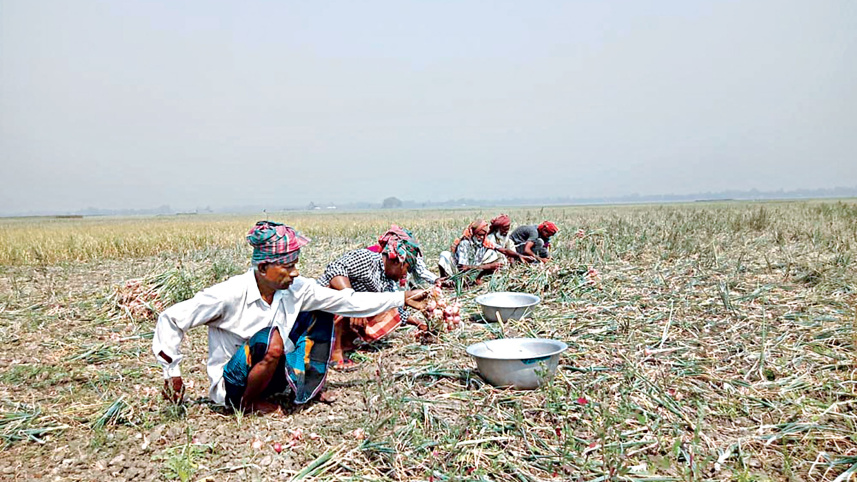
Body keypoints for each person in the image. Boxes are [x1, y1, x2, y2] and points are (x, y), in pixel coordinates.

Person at [152, 221, 426, 412]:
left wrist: (401, 298)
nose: (295, 273)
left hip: (274, 370)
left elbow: (347, 301)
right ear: (263, 267)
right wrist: (172, 373)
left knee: (323, 309)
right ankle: (246, 405)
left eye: (296, 265)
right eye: (288, 266)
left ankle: (306, 383)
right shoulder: (228, 294)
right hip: (234, 382)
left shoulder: (295, 289)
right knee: (270, 340)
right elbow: (172, 318)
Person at [318, 227, 425, 370]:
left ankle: (344, 343)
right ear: (396, 261)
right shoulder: (369, 259)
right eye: (406, 268)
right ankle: (334, 353)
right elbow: (335, 269)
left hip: (346, 309)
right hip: (319, 309)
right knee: (337, 295)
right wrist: (353, 302)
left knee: (383, 306)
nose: (404, 275)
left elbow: (395, 311)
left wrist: (419, 323)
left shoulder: (387, 282)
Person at [437, 219, 502, 282]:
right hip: (460, 274)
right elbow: (463, 268)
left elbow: (501, 249)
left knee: (492, 253)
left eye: (483, 235)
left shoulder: (483, 243)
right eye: (479, 235)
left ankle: (478, 278)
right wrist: (489, 266)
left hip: (474, 269)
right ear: (474, 233)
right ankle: (445, 280)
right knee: (445, 254)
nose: (481, 237)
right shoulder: (465, 243)